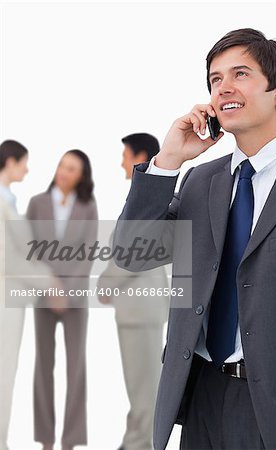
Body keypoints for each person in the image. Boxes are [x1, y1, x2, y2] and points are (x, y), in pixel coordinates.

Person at [114, 29, 276, 450]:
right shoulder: (201, 180)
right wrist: (168, 161)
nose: (223, 88)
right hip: (199, 396)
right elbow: (132, 254)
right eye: (215, 80)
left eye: (240, 74)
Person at [97, 133, 169, 450]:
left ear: (140, 155)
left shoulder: (148, 201)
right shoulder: (146, 198)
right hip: (137, 312)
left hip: (141, 312)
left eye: (125, 155)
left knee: (144, 387)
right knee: (139, 385)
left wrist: (105, 283)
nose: (121, 162)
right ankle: (135, 440)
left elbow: (133, 252)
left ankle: (139, 444)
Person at [26, 150, 98, 450]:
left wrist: (67, 291)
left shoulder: (88, 205)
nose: (63, 172)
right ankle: (45, 439)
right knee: (43, 365)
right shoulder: (37, 203)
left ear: (81, 176)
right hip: (43, 295)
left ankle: (70, 441)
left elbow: (89, 251)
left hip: (75, 297)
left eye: (71, 169)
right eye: (61, 166)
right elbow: (27, 248)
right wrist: (49, 286)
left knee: (75, 367)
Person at [0, 140, 57, 450]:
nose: (27, 168)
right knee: (3, 372)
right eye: (24, 162)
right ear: (10, 162)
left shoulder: (8, 200)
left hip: (13, 299)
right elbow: (6, 258)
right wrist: (48, 281)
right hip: (4, 302)